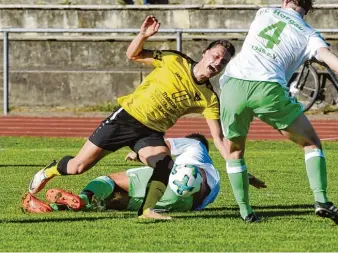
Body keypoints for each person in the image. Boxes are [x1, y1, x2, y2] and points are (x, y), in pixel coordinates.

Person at [28, 15, 235, 220]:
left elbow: (218, 138)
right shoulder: (175, 60)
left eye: (223, 62)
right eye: (215, 56)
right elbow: (133, 54)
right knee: (77, 167)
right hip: (126, 119)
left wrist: (236, 167)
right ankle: (50, 171)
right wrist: (143, 35)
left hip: (151, 133)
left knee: (165, 167)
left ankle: (147, 211)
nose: (217, 62)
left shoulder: (209, 98)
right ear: (205, 52)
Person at [219, 0, 338, 226]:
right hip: (267, 88)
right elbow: (327, 58)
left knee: (234, 152)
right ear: (309, 10)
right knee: (311, 144)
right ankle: (321, 200)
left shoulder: (264, 12)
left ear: (284, 2)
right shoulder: (310, 34)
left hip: (233, 86)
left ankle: (246, 213)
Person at [23, 134, 266, 214]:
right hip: (189, 203)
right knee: (115, 201)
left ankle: (83, 198)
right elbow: (236, 169)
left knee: (110, 181)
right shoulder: (215, 169)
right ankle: (53, 209)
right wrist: (252, 180)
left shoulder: (195, 145)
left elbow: (163, 146)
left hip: (177, 180)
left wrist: (138, 153)